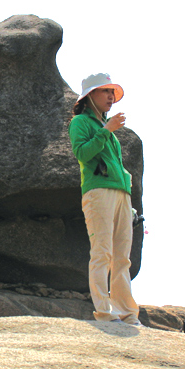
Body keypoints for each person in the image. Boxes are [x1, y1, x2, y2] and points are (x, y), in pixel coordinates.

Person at [68, 73, 142, 326]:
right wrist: (105, 131)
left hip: (120, 194)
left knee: (122, 258)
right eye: (105, 91)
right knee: (102, 253)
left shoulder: (107, 127)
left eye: (113, 92)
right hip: (98, 192)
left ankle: (127, 313)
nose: (111, 97)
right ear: (90, 96)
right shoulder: (81, 122)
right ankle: (104, 312)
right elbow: (82, 153)